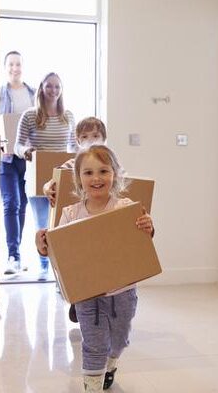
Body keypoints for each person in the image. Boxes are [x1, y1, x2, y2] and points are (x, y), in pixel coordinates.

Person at [35, 145, 154, 392]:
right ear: (78, 178)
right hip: (87, 295)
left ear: (115, 175)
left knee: (119, 339)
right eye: (88, 173)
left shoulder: (125, 207)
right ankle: (92, 385)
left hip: (123, 291)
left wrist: (147, 227)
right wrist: (43, 246)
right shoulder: (70, 214)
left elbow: (141, 241)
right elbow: (58, 254)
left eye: (103, 171)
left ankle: (111, 364)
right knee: (93, 343)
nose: (96, 178)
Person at [42, 116, 107, 323]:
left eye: (96, 136)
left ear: (104, 139)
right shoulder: (73, 163)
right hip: (79, 222)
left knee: (100, 265)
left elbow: (124, 183)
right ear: (78, 141)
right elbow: (54, 180)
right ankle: (78, 302)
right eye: (85, 137)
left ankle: (99, 306)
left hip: (103, 223)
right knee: (81, 265)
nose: (91, 141)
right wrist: (47, 188)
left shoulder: (110, 163)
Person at [15, 71, 76, 281]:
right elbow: (17, 145)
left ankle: (60, 271)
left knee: (62, 224)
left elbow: (74, 147)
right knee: (43, 224)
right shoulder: (30, 115)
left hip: (63, 179)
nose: (53, 90)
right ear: (41, 88)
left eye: (57, 87)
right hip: (38, 178)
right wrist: (25, 152)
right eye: (49, 86)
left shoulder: (68, 116)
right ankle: (44, 265)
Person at [0, 51, 36, 275]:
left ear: (23, 66)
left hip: (28, 156)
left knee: (23, 204)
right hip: (7, 157)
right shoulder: (0, 93)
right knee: (10, 202)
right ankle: (13, 255)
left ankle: (18, 252)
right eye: (11, 64)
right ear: (6, 67)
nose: (15, 68)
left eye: (18, 64)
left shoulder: (32, 93)